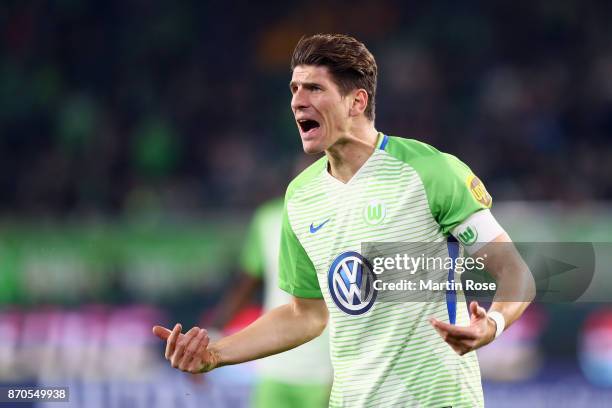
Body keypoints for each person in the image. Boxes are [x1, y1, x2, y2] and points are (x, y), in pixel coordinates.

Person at [153, 34, 535, 407]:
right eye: (294, 89)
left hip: (438, 399)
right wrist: (216, 353)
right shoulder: (300, 196)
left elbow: (515, 273)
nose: (297, 102)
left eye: (314, 89)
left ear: (356, 101)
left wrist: (492, 325)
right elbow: (305, 314)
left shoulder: (429, 171)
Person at [209, 194, 332, 408]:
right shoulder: (269, 217)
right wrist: (213, 336)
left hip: (330, 369)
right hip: (275, 365)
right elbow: (248, 282)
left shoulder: (355, 209)